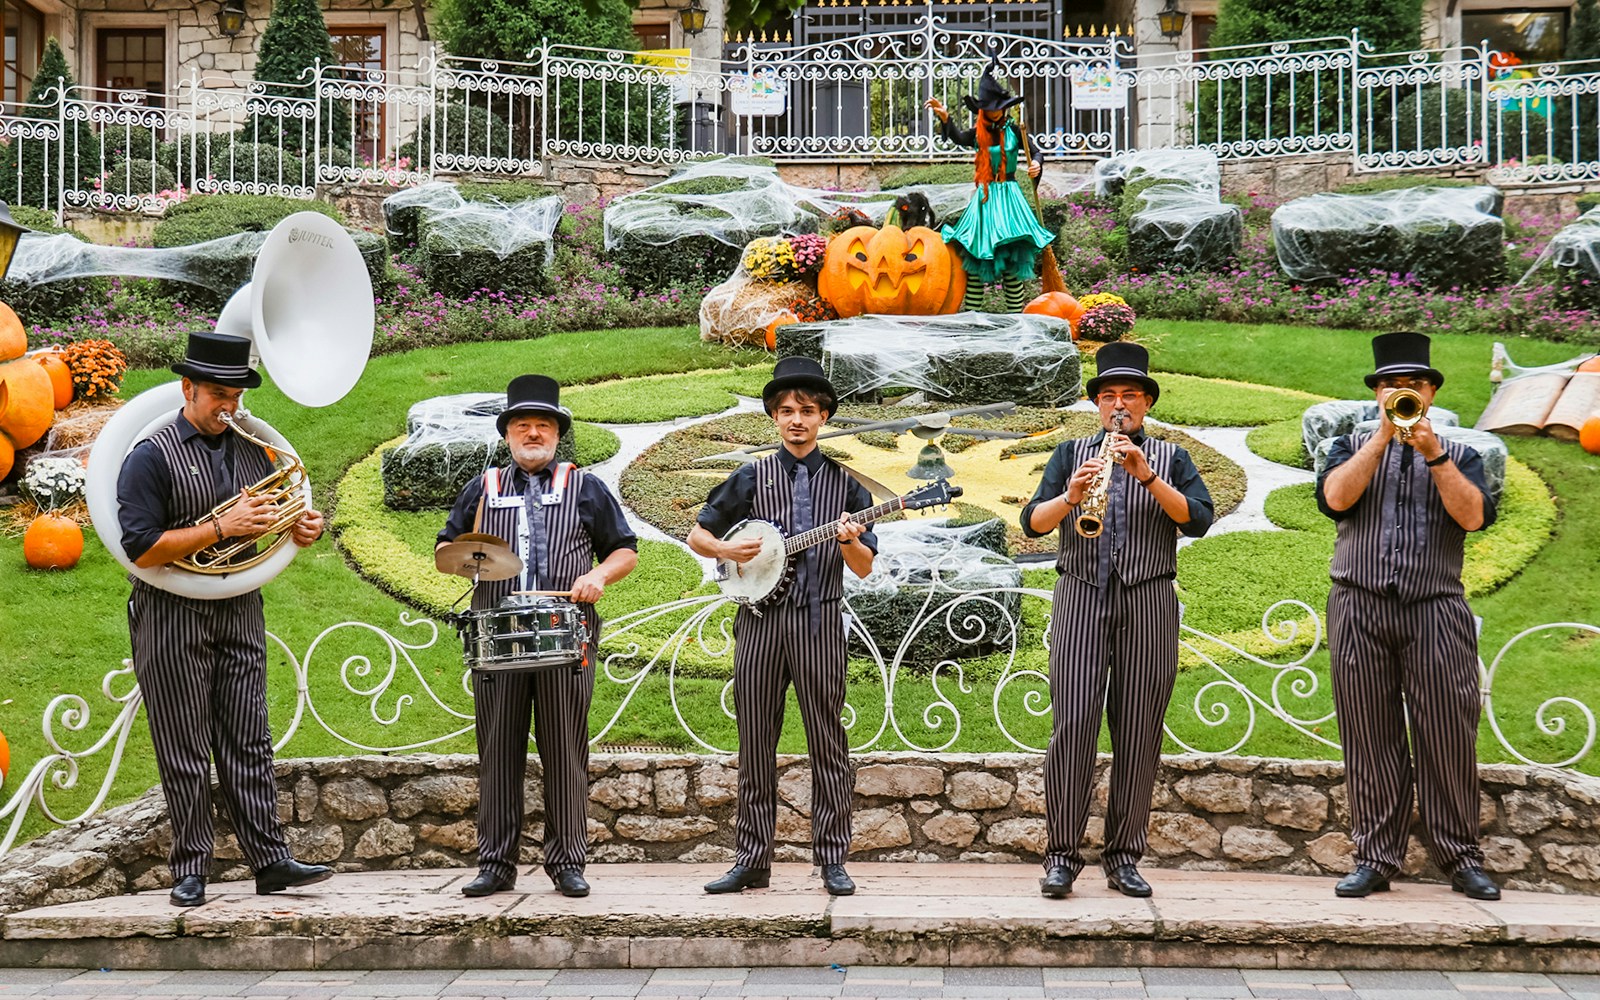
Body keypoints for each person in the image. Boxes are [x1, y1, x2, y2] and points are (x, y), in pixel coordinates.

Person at [115, 331, 334, 908]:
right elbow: (139, 547)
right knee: (183, 744)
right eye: (218, 393)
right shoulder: (150, 455)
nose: (229, 407)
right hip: (169, 612)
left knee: (249, 738)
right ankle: (191, 868)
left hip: (239, 607)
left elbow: (277, 514)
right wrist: (220, 528)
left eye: (235, 395)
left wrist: (298, 530)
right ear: (187, 389)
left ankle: (270, 861)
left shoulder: (253, 447)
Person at [1019, 342, 1213, 899]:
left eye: (1130, 396)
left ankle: (1124, 856)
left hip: (1149, 599)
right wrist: (1070, 496)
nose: (1120, 405)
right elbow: (1033, 523)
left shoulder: (1172, 458)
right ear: (1098, 405)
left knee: (1139, 731)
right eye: (1109, 397)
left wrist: (1148, 477)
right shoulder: (1068, 454)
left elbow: (1197, 520)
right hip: (1081, 596)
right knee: (1073, 725)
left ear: (1147, 403)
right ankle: (1061, 855)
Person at [437, 374, 638, 899]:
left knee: (564, 748)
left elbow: (625, 550)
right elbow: (446, 550)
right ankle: (495, 863)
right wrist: (469, 562)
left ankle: (568, 860)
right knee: (497, 747)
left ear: (556, 433)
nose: (532, 433)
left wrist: (598, 576)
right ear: (507, 435)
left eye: (542, 425)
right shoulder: (482, 489)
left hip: (565, 635)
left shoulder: (585, 486)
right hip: (498, 636)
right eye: (522, 425)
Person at [1316, 332, 1501, 902]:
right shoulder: (1346, 445)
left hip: (1436, 607)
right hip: (1358, 605)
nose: (1403, 394)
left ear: (1431, 392)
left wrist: (1433, 453)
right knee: (1368, 736)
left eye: (1413, 385)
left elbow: (1473, 518)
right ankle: (1375, 857)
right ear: (1376, 393)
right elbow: (1336, 500)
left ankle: (1461, 856)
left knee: (1448, 735)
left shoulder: (1462, 454)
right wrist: (1379, 442)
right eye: (1392, 386)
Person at [687, 357, 877, 897]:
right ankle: (752, 859)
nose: (798, 419)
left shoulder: (847, 485)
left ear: (823, 419)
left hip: (819, 621)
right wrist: (726, 548)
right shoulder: (749, 476)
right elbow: (699, 535)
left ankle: (832, 859)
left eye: (809, 411)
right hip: (759, 622)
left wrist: (849, 540)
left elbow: (864, 566)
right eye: (788, 411)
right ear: (774, 417)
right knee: (755, 742)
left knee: (828, 741)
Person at [925, 57, 1056, 313]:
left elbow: (1036, 152)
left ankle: (1016, 319)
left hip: (1009, 198)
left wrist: (1036, 165)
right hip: (984, 199)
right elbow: (960, 138)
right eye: (992, 108)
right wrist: (945, 118)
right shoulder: (978, 132)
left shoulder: (1015, 130)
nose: (996, 112)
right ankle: (972, 318)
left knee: (1010, 260)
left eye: (1000, 107)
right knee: (976, 256)